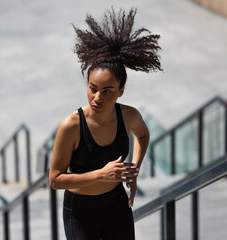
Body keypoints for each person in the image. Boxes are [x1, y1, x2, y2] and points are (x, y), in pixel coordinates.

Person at [49, 7, 162, 240]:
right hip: (80, 212)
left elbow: (143, 135)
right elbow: (55, 179)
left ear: (121, 91)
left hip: (116, 205)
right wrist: (101, 174)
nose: (97, 97)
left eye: (107, 91)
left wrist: (135, 169)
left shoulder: (129, 116)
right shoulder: (71, 125)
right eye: (93, 89)